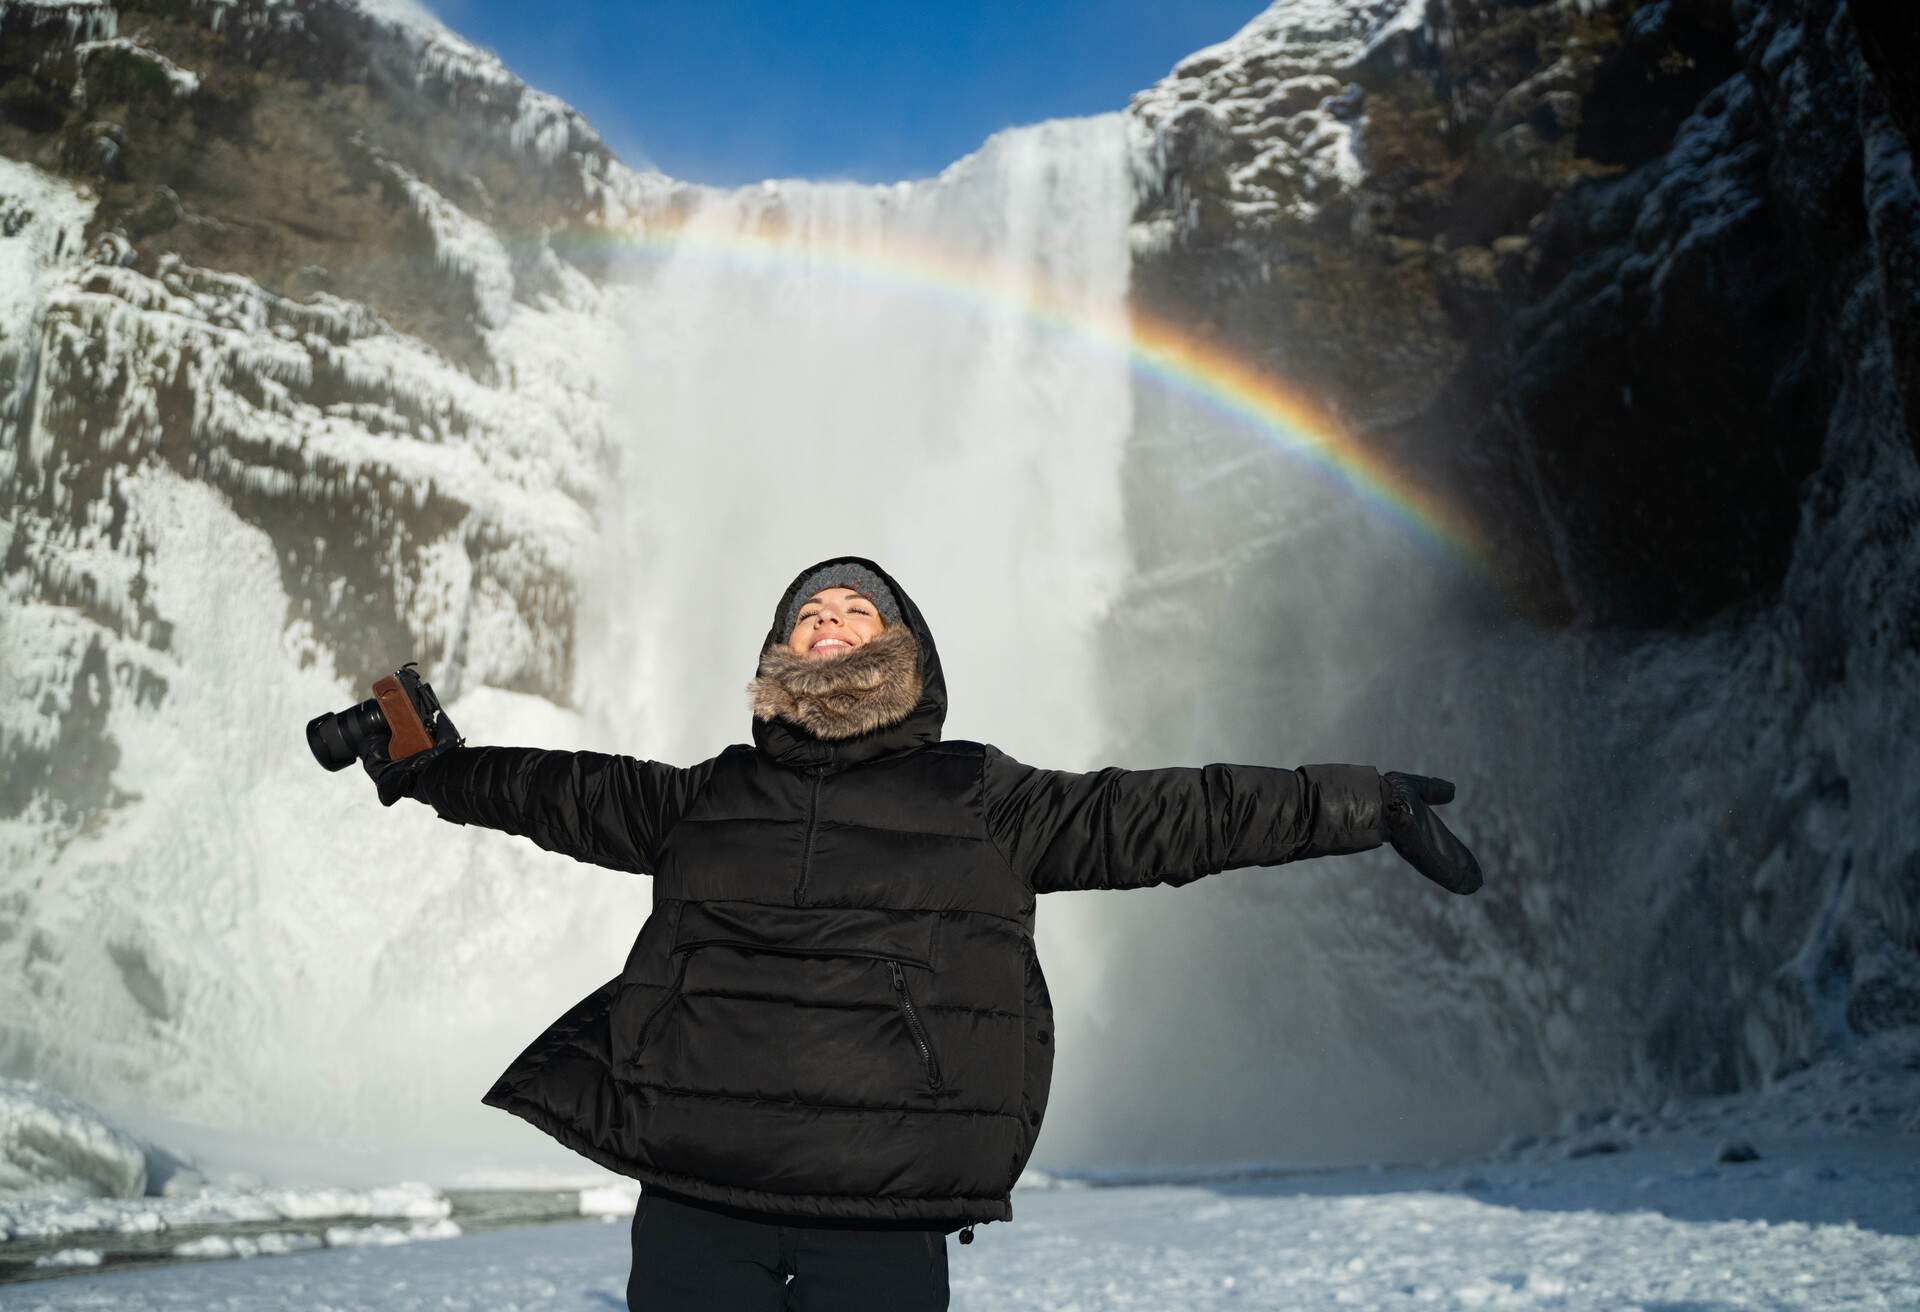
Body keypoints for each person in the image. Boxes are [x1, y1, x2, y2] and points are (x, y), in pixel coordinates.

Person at [356, 555, 1483, 1310]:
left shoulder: (982, 794)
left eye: (857, 611)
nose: (831, 621)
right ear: (780, 657)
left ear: (906, 654)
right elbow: (557, 790)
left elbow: (1175, 812)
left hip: (880, 1205)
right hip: (698, 1198)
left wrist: (1360, 799)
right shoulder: (711, 795)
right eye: (809, 613)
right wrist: (431, 767)